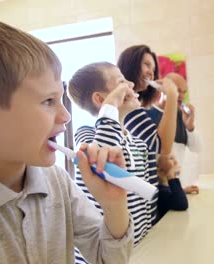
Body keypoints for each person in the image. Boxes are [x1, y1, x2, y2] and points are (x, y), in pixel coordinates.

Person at [0, 19, 133, 263]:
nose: (66, 116)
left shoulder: (58, 182)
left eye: (60, 98)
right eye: (49, 101)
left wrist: (114, 205)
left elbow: (108, 259)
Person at [68, 62, 178, 250]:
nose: (131, 85)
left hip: (140, 251)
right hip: (107, 254)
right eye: (121, 82)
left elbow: (148, 200)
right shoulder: (86, 135)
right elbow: (101, 156)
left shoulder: (138, 144)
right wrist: (110, 105)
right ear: (100, 99)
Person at [147, 72, 202, 194]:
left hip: (176, 190)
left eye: (184, 92)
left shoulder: (181, 116)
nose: (181, 96)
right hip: (159, 194)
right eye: (177, 90)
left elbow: (197, 148)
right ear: (163, 89)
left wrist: (190, 127)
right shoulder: (147, 115)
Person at [156, 154, 189, 219]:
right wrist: (171, 177)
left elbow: (172, 194)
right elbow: (182, 204)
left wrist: (184, 190)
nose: (176, 162)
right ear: (158, 167)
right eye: (171, 158)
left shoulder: (164, 188)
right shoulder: (161, 191)